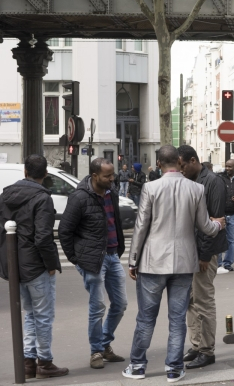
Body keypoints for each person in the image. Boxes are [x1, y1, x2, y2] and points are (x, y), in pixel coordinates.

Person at [123, 145, 225, 382]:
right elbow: (206, 227)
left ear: (159, 164)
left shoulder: (150, 187)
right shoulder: (197, 188)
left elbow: (141, 227)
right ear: (179, 163)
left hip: (152, 262)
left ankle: (138, 366)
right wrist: (219, 224)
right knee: (177, 318)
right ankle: (174, 368)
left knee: (146, 318)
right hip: (183, 263)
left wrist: (132, 260)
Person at [0, 155, 68, 379]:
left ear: (25, 172)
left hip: (14, 262)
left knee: (30, 312)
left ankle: (28, 362)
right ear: (45, 174)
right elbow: (43, 237)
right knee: (43, 314)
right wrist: (50, 264)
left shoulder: (6, 195)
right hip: (35, 264)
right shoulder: (42, 198)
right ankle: (45, 362)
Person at [58, 158, 127, 369]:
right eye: (107, 176)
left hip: (113, 255)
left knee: (120, 304)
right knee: (97, 307)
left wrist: (119, 248)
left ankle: (104, 344)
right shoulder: (79, 197)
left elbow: (115, 220)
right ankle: (96, 351)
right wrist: (76, 260)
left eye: (112, 174)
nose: (112, 179)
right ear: (95, 176)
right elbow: (65, 231)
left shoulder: (111, 192)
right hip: (92, 259)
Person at [177, 146, 227, 370]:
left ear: (193, 161)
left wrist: (205, 255)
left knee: (203, 301)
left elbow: (215, 221)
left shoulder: (212, 182)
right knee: (190, 300)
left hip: (203, 253)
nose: (181, 170)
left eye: (183, 166)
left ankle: (207, 350)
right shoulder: (190, 180)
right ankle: (197, 345)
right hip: (190, 251)